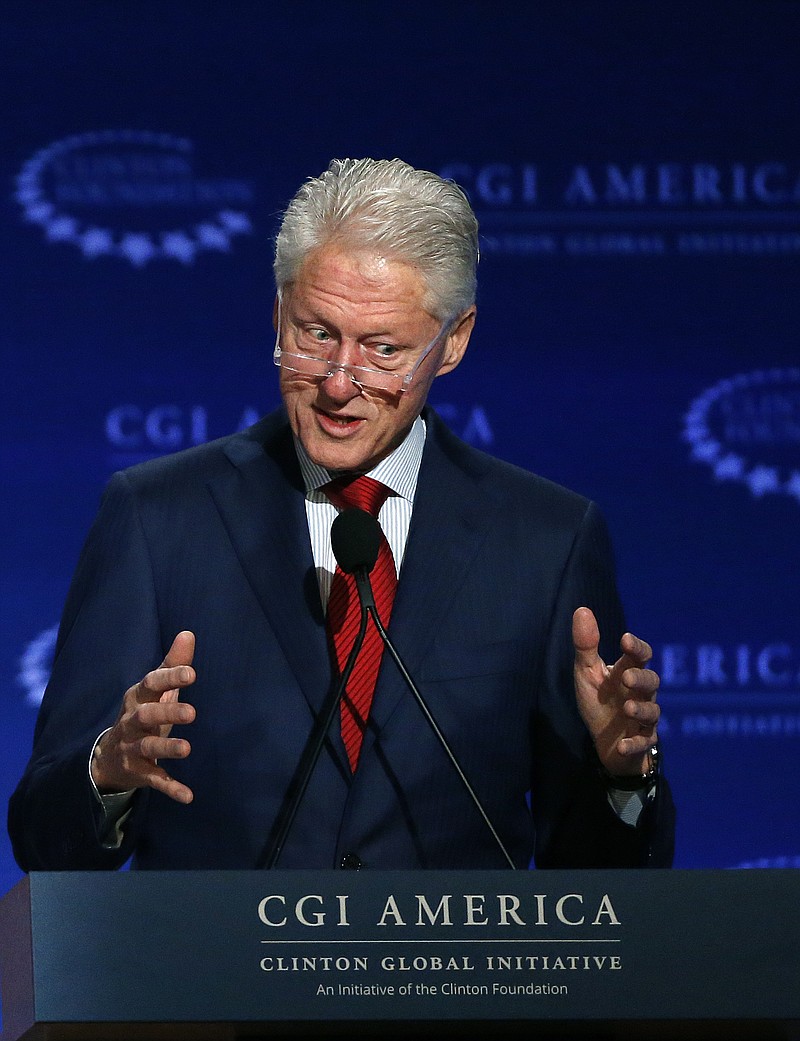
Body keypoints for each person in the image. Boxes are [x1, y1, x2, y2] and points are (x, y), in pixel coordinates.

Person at [8, 157, 675, 872]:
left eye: (383, 349)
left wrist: (620, 775)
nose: (337, 382)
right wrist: (107, 768)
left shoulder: (547, 542)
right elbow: (44, 839)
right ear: (277, 310)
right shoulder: (157, 518)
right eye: (315, 333)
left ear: (452, 342)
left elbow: (600, 890)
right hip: (220, 978)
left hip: (453, 982)